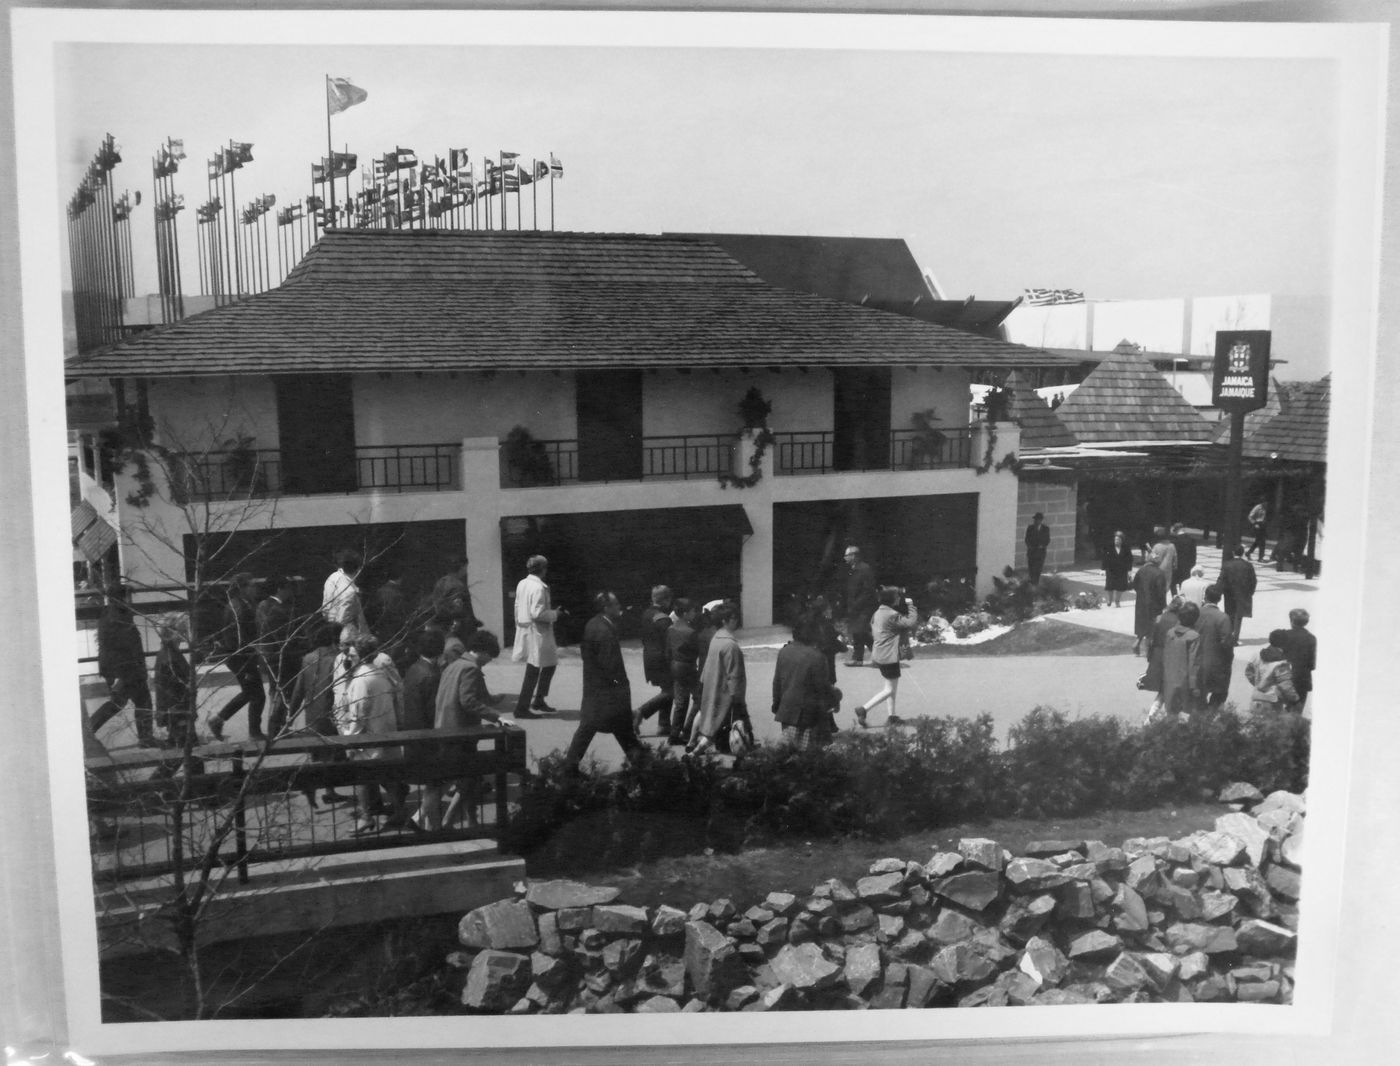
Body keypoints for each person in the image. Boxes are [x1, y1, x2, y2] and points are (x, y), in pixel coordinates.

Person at [424, 629, 504, 830]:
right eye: (490, 656)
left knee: (467, 778)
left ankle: (466, 819)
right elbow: (468, 701)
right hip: (460, 732)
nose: (490, 661)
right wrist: (497, 717)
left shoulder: (455, 664)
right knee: (465, 777)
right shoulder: (471, 669)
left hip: (443, 727)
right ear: (483, 651)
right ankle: (434, 820)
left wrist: (492, 700)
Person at [564, 592, 643, 771]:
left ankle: (568, 769)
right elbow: (611, 667)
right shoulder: (605, 632)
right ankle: (644, 769)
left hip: (596, 692)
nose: (619, 607)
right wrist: (619, 688)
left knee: (590, 729)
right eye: (616, 604)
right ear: (606, 608)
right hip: (609, 696)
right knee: (622, 732)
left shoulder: (594, 624)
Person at [341, 634, 405, 834]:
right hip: (385, 731)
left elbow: (359, 713)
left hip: (369, 737)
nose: (349, 656)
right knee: (386, 775)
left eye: (353, 653)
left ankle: (366, 817)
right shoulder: (379, 673)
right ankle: (398, 811)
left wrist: (350, 739)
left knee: (362, 776)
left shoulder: (362, 679)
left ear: (361, 655)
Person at [285, 620, 349, 807]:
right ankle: (323, 788)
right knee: (333, 757)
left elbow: (299, 689)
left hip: (312, 714)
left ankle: (318, 788)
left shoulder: (308, 658)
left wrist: (291, 714)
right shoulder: (339, 659)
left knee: (317, 755)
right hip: (331, 714)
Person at [89, 583, 158, 747]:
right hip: (126, 670)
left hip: (126, 670)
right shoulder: (118, 619)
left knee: (137, 701)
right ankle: (88, 729)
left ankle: (145, 737)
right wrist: (121, 676)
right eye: (128, 596)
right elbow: (121, 649)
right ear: (120, 598)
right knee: (125, 702)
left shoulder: (114, 614)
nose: (130, 600)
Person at [208, 573, 267, 741]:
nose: (255, 588)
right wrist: (251, 652)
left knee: (250, 693)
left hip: (241, 656)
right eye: (251, 585)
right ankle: (254, 732)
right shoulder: (239, 608)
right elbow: (239, 638)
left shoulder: (241, 604)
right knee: (256, 695)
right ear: (243, 588)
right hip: (241, 657)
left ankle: (219, 720)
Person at [854, 587, 919, 728]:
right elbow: (910, 622)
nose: (899, 598)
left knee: (890, 686)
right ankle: (864, 709)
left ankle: (892, 716)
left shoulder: (878, 612)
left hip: (880, 654)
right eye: (897, 596)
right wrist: (911, 605)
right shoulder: (892, 614)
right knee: (889, 690)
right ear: (891, 599)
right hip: (889, 655)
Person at [772, 618, 841, 750]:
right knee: (808, 758)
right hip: (808, 716)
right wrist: (836, 698)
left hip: (787, 712)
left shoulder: (784, 652)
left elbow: (777, 683)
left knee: (789, 753)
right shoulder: (817, 657)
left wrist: (777, 705)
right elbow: (822, 689)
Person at [691, 601, 748, 755]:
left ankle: (694, 750)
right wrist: (737, 699)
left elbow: (707, 667)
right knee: (737, 731)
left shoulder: (716, 639)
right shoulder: (730, 645)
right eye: (733, 618)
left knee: (712, 727)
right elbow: (734, 675)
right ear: (724, 620)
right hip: (728, 695)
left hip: (713, 690)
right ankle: (694, 754)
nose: (736, 620)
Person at [510, 555, 561, 719]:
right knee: (535, 669)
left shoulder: (522, 583)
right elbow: (537, 613)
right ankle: (522, 707)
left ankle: (538, 699)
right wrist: (556, 614)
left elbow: (517, 606)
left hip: (528, 630)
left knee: (548, 664)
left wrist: (520, 623)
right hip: (538, 632)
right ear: (543, 569)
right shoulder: (539, 588)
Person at [256, 574, 303, 739]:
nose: (291, 592)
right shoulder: (276, 609)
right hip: (278, 656)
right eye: (288, 588)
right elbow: (281, 637)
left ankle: (277, 725)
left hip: (269, 655)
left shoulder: (264, 605)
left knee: (276, 691)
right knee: (281, 692)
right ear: (280, 589)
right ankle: (275, 727)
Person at [634, 585, 676, 736]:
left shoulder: (646, 614)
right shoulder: (663, 619)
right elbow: (670, 642)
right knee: (672, 692)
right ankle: (641, 712)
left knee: (666, 690)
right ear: (666, 600)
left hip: (649, 657)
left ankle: (664, 725)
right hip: (662, 659)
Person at [152, 613, 196, 751]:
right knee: (185, 747)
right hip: (177, 709)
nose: (184, 635)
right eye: (182, 631)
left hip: (174, 708)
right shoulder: (170, 656)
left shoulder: (168, 652)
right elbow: (177, 686)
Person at [665, 598, 702, 747]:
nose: (694, 614)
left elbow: (667, 651)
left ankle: (674, 734)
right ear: (686, 613)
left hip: (675, 666)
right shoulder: (691, 632)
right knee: (699, 699)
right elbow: (696, 652)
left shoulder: (671, 628)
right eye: (692, 611)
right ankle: (687, 729)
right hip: (688, 667)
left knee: (680, 702)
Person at [1158, 601, 1203, 719]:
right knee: (1187, 717)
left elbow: (1165, 656)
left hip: (1169, 679)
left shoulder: (1170, 633)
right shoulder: (1193, 636)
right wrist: (1194, 686)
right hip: (1186, 683)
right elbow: (1194, 663)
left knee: (1171, 716)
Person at [1194, 585, 1235, 709]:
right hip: (1217, 663)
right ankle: (1209, 720)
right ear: (1220, 599)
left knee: (1199, 697)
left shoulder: (1196, 613)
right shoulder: (1223, 618)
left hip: (1196, 662)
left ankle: (1199, 719)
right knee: (1219, 695)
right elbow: (1227, 643)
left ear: (1205, 596)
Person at [1142, 595, 1183, 718]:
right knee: (1169, 690)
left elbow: (1149, 638)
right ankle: (1160, 718)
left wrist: (1149, 654)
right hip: (1171, 657)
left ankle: (1152, 716)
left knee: (1163, 689)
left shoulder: (1159, 618)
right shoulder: (1179, 622)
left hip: (1157, 654)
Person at [1246, 630, 1301, 714]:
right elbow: (1285, 685)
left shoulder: (1256, 655)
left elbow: (1248, 672)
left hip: (1256, 699)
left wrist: (1259, 685)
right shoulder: (1281, 663)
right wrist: (1295, 699)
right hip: (1272, 704)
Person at [841, 546, 878, 666]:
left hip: (864, 607)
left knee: (861, 632)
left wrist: (857, 604)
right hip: (854, 607)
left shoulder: (864, 569)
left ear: (854, 556)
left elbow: (868, 590)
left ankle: (880, 657)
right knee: (857, 633)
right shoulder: (852, 569)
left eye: (847, 555)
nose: (845, 558)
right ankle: (857, 659)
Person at [1275, 608, 1317, 712]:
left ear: (1291, 621)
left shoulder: (1284, 635)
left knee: (1279, 711)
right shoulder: (1311, 638)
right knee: (1296, 712)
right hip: (1302, 679)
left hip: (1284, 677)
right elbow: (1312, 664)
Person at [321, 549, 367, 641]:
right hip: (346, 636)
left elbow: (325, 609)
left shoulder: (332, 578)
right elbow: (342, 620)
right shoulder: (349, 592)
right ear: (358, 569)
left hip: (329, 626)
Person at [429, 556, 481, 636]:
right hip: (456, 628)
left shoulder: (440, 582)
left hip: (440, 625)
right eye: (466, 567)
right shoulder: (457, 585)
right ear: (463, 567)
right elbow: (458, 609)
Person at [1131, 548, 1168, 656]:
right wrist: (1164, 605)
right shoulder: (1159, 573)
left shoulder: (1141, 570)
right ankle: (1148, 652)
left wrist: (1141, 594)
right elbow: (1161, 592)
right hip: (1154, 604)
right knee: (1151, 628)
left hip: (1141, 602)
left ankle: (1137, 642)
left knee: (1142, 624)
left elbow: (1135, 585)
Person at [1218, 545, 1258, 645]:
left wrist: (1219, 591)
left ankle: (1228, 635)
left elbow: (1222, 579)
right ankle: (1235, 638)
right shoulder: (1248, 565)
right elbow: (1253, 581)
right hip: (1243, 593)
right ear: (1243, 553)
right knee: (1238, 616)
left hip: (1229, 593)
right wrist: (1250, 592)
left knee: (1229, 614)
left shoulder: (1227, 564)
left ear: (1233, 553)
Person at [1102, 529, 1134, 608]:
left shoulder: (1126, 548)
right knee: (1110, 586)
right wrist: (1103, 569)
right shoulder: (1109, 547)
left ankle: (1117, 601)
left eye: (1118, 539)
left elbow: (1130, 559)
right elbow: (1105, 558)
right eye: (1115, 539)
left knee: (1120, 587)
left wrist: (1129, 570)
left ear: (1122, 540)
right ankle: (1109, 599)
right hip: (1111, 570)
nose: (1116, 541)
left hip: (1122, 571)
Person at [1147, 527, 1178, 595]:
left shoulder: (1157, 546)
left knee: (1158, 591)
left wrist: (1150, 551)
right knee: (1165, 589)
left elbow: (1154, 559)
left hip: (1158, 570)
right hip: (1168, 571)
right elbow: (1175, 559)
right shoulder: (1172, 546)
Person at [1024, 512, 1051, 584]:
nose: (1036, 521)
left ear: (1041, 520)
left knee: (1038, 570)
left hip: (1040, 553)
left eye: (1038, 519)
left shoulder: (1046, 529)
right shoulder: (1030, 528)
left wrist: (1042, 545)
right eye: (1035, 519)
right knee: (1031, 570)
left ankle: (1036, 584)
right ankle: (1032, 584)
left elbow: (1047, 540)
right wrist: (1030, 547)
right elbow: (1027, 539)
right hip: (1032, 552)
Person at [1170, 523, 1197, 594]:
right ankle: (1184, 600)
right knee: (1184, 585)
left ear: (1176, 531)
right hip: (1187, 567)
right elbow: (1194, 555)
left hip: (1177, 567)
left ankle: (1175, 599)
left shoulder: (1174, 541)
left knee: (1172, 584)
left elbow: (1173, 555)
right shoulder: (1191, 540)